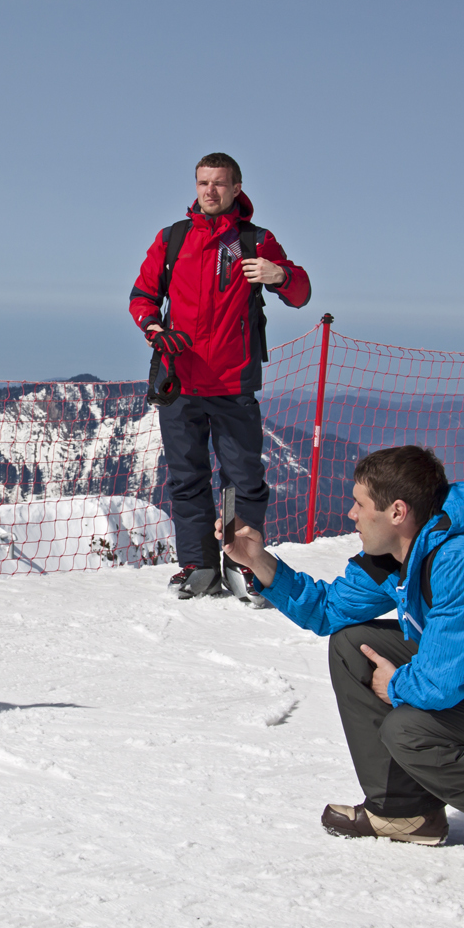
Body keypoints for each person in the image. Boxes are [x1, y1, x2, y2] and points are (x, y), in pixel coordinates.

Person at [220, 446, 464, 881]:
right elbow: (328, 611)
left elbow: (439, 686)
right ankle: (404, 811)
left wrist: (396, 684)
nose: (351, 514)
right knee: (354, 643)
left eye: (360, 503)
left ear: (397, 512)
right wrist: (257, 560)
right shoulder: (403, 553)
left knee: (410, 730)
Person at [129, 152, 311, 601]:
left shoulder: (254, 240)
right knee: (187, 479)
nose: (209, 191)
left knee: (243, 478)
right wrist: (154, 330)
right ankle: (199, 566)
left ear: (236, 187)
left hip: (233, 382)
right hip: (179, 381)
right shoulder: (172, 239)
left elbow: (301, 294)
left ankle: (244, 565)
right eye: (202, 182)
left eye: (219, 183)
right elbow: (141, 296)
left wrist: (280, 275)